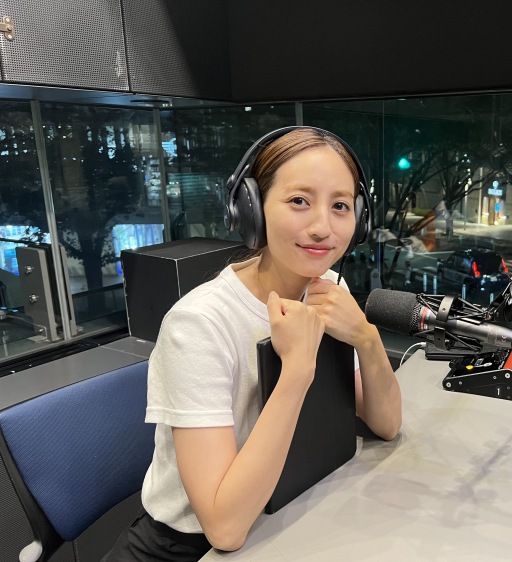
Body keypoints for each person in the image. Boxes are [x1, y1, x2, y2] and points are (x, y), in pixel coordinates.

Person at [103, 127, 402, 561]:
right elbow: (224, 528)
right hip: (188, 549)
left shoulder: (327, 289)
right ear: (251, 207)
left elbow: (387, 424)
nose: (322, 227)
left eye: (339, 206)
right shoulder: (200, 324)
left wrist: (366, 337)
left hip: (284, 514)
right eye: (299, 201)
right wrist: (296, 371)